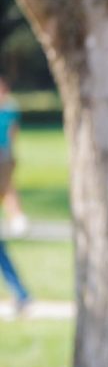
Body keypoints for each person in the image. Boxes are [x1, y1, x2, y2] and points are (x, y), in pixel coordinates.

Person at [0, 75, 29, 314]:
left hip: (3, 156)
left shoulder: (9, 109)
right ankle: (20, 293)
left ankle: (20, 293)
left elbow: (12, 134)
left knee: (8, 190)